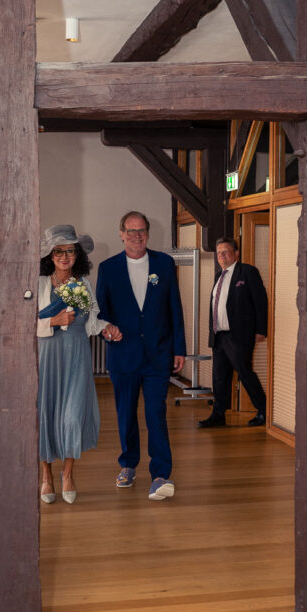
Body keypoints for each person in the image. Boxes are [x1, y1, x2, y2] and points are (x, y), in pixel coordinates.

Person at [96, 211, 186, 501]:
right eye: (131, 231)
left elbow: (175, 309)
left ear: (147, 233)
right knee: (126, 414)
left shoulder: (164, 263)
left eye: (141, 230)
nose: (136, 236)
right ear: (121, 234)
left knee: (156, 413)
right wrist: (106, 331)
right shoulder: (108, 268)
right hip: (123, 354)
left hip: (158, 354)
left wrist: (179, 348)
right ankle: (128, 464)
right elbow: (101, 312)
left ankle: (160, 473)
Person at [37, 224, 121, 505]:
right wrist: (53, 321)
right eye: (58, 251)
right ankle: (46, 476)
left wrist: (107, 327)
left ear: (77, 254)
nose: (64, 257)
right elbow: (21, 323)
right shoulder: (39, 284)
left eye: (70, 251)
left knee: (72, 416)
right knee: (46, 415)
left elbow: (91, 322)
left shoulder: (82, 284)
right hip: (46, 358)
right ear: (50, 255)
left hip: (77, 358)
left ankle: (67, 473)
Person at [198, 237, 268, 429]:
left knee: (244, 372)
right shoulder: (218, 276)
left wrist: (261, 330)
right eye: (219, 253)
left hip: (238, 335)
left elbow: (260, 302)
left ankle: (264, 410)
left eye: (226, 252)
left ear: (236, 253)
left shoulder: (248, 272)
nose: (222, 256)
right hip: (219, 335)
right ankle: (218, 415)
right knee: (219, 377)